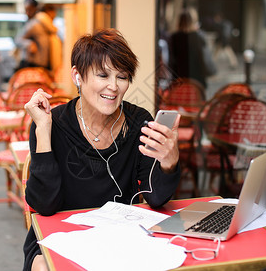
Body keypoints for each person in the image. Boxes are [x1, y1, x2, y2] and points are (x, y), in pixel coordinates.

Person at [22, 28, 182, 271]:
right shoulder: (51, 122)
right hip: (61, 235)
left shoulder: (138, 121)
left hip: (119, 236)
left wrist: (169, 163)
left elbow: (156, 198)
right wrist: (43, 130)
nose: (113, 87)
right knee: (43, 266)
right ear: (78, 76)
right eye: (103, 75)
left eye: (122, 77)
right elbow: (45, 205)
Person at [15, 2, 62, 77]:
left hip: (45, 67)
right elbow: (18, 40)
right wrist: (29, 44)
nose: (54, 16)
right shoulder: (35, 25)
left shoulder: (51, 28)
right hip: (34, 66)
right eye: (53, 13)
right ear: (48, 13)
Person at [169, 8, 213, 88]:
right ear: (192, 21)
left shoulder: (174, 37)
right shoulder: (198, 36)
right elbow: (204, 58)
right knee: (197, 99)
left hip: (179, 79)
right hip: (197, 80)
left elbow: (171, 60)